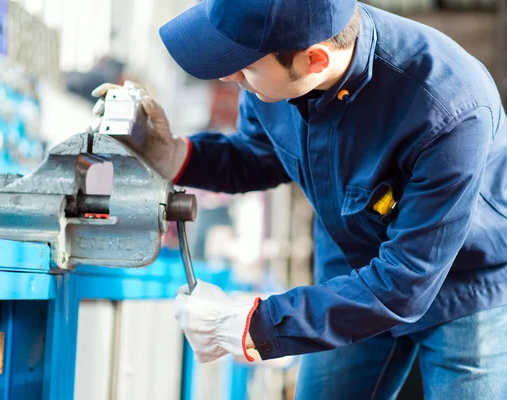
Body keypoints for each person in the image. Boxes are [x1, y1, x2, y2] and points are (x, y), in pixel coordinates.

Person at [91, 0, 507, 398]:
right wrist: (172, 153)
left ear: (316, 60)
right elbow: (261, 155)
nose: (229, 76)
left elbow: (404, 283)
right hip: (352, 267)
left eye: (248, 67)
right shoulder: (274, 73)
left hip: (467, 285)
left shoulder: (450, 110)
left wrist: (255, 324)